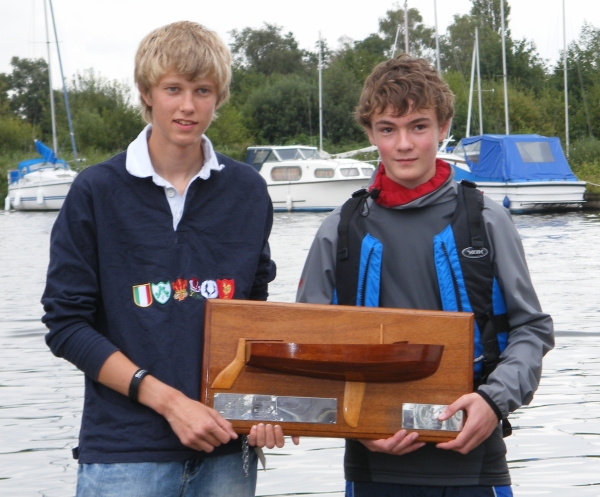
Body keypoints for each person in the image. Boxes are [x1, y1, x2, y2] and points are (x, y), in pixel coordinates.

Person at [42, 21, 286, 496]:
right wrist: (171, 403)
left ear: (220, 97)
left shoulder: (248, 192)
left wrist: (264, 409)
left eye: (203, 90)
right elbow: (67, 325)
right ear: (146, 92)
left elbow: (253, 317)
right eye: (173, 88)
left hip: (227, 456)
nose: (188, 106)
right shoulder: (96, 191)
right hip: (124, 458)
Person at [296, 54, 554, 497]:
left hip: (475, 466)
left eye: (418, 126)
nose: (403, 144)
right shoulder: (338, 228)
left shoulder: (488, 220)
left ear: (443, 126)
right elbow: (306, 346)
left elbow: (532, 329)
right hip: (372, 468)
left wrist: (493, 402)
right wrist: (352, 422)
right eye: (387, 129)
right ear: (370, 133)